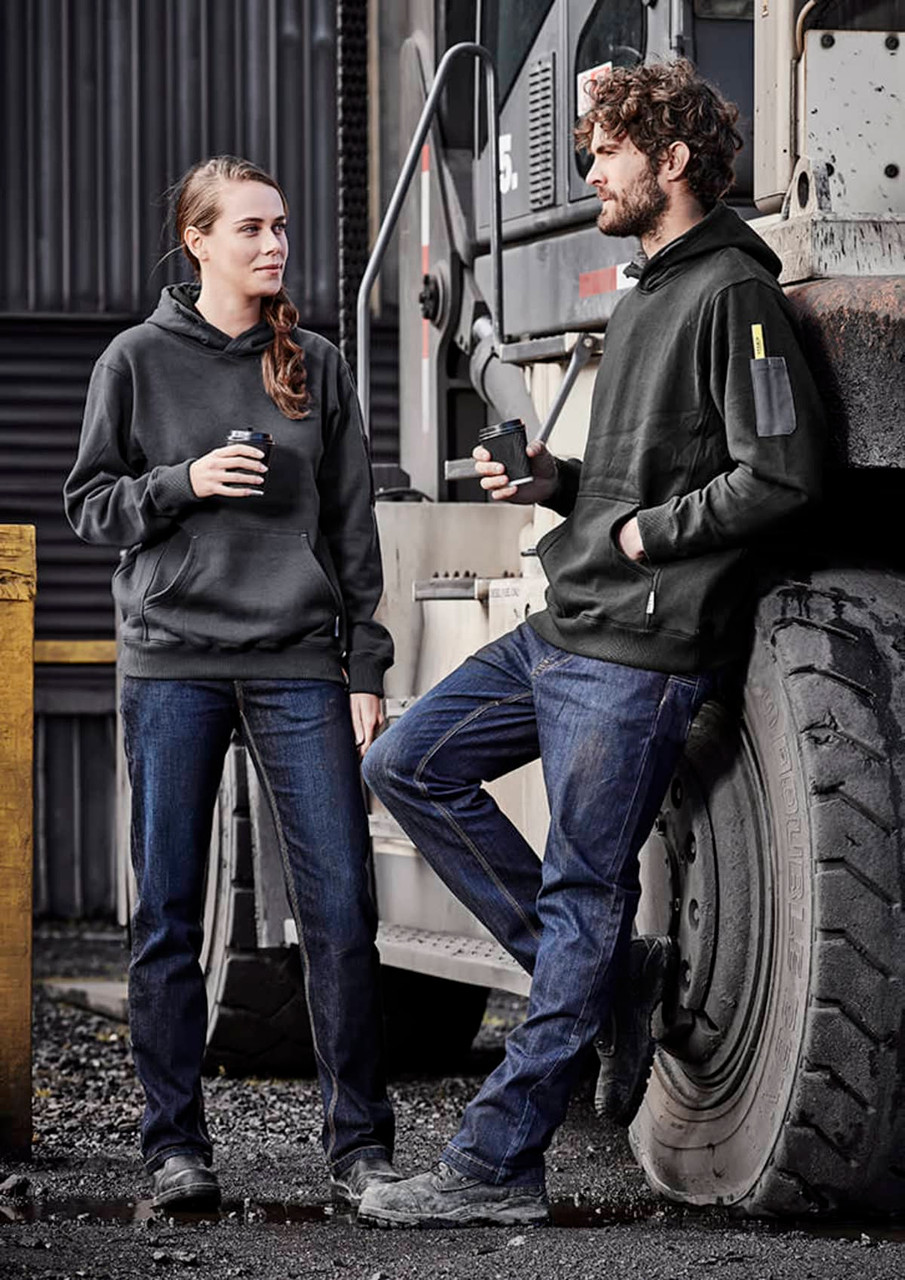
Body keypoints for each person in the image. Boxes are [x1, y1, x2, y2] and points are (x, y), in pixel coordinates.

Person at [358, 60, 825, 1228]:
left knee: (579, 892)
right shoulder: (646, 291)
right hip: (571, 621)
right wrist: (557, 481)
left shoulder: (730, 293)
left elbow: (780, 473)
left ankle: (494, 1164)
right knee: (404, 764)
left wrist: (642, 527)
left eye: (606, 149)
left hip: (636, 654)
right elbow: (643, 471)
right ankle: (611, 976)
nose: (588, 170)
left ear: (669, 162)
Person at [64, 156, 399, 1212]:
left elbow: (353, 527)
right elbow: (90, 505)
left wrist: (364, 663)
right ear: (196, 240)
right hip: (173, 660)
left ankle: (359, 1154)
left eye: (282, 227)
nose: (274, 244)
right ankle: (175, 1149)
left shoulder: (320, 365)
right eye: (250, 227)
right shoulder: (135, 360)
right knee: (166, 909)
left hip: (300, 661)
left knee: (341, 907)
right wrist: (183, 483)